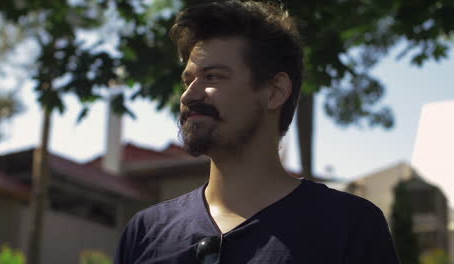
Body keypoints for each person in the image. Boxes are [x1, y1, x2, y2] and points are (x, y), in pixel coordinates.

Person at [114, 1, 400, 263]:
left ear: (275, 92)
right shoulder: (144, 234)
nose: (189, 95)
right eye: (187, 81)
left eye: (212, 77)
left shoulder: (350, 227)